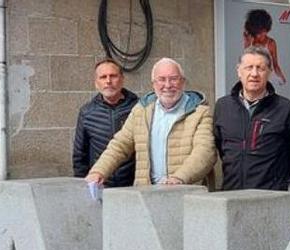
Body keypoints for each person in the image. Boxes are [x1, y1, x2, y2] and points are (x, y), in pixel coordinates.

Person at [86, 58, 216, 187]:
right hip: (146, 193)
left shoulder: (199, 112)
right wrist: (98, 172)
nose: (167, 85)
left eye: (173, 79)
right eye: (161, 79)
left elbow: (205, 152)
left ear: (183, 82)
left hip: (185, 193)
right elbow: (120, 144)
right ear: (153, 84)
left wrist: (179, 178)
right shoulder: (141, 110)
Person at [214, 46, 290, 191]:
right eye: (249, 67)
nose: (254, 73)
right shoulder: (223, 107)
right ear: (239, 71)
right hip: (232, 192)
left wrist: (277, 177)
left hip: (270, 194)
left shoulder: (286, 109)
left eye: (260, 68)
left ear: (269, 72)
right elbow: (220, 146)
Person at [73, 59, 139, 187]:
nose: (108, 81)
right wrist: (82, 186)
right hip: (102, 184)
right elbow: (80, 154)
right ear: (96, 83)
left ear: (122, 79)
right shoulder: (87, 112)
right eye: (103, 77)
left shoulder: (138, 108)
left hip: (133, 184)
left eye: (113, 76)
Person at [242, 9, 287, 85]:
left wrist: (283, 79)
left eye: (264, 31)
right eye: (259, 33)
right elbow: (246, 61)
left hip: (269, 77)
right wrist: (247, 43)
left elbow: (275, 65)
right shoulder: (250, 41)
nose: (261, 35)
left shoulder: (271, 43)